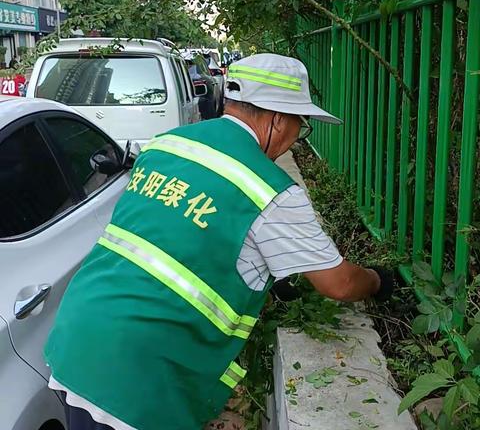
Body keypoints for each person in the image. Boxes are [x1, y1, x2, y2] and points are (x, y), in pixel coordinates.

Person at [44, 53, 392, 430]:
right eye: (300, 125)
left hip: (77, 336)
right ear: (277, 119)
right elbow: (339, 284)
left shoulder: (167, 144)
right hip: (139, 374)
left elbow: (178, 236)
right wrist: (378, 280)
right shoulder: (270, 190)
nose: (295, 139)